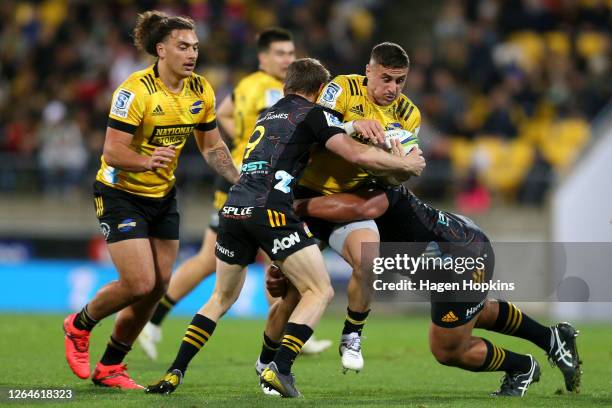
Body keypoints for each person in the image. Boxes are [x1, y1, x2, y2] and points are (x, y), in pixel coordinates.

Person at [144, 58, 426, 398]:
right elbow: (355, 154)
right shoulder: (316, 114)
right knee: (318, 291)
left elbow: (327, 133)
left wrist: (351, 127)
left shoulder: (269, 114)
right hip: (272, 209)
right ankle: (282, 368)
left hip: (233, 207)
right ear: (321, 91)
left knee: (220, 297)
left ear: (285, 86)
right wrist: (403, 162)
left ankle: (175, 371)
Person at [62, 10, 239, 389]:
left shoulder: (200, 90)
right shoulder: (134, 91)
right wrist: (146, 160)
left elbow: (211, 146)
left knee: (158, 287)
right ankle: (79, 325)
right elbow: (112, 151)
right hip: (120, 193)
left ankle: (111, 366)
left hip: (162, 195)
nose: (192, 54)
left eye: (195, 47)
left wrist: (240, 180)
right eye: (182, 47)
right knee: (139, 282)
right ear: (161, 50)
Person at [138, 28, 331, 360]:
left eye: (290, 53)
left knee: (268, 258)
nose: (287, 59)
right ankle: (153, 318)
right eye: (280, 54)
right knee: (212, 260)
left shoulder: (265, 89)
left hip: (256, 180)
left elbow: (224, 113)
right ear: (263, 57)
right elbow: (225, 116)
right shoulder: (263, 89)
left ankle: (284, 328)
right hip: (246, 180)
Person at [280, 185, 582, 397]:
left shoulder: (369, 186)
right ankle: (551, 338)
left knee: (447, 348)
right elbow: (314, 237)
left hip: (459, 258)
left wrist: (294, 205)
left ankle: (522, 367)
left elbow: (365, 208)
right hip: (447, 253)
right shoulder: (333, 194)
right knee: (475, 311)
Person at [259, 41, 421, 374]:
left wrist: (390, 163)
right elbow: (319, 134)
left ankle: (352, 335)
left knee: (368, 258)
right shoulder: (342, 89)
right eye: (386, 78)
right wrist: (354, 128)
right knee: (291, 296)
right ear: (369, 71)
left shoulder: (409, 113)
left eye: (400, 80)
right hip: (304, 193)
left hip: (348, 201)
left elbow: (399, 173)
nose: (393, 88)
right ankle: (265, 360)